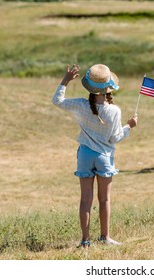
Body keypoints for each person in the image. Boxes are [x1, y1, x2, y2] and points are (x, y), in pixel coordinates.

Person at [52, 64, 137, 248]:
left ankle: (85, 240)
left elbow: (57, 101)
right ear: (109, 88)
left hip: (84, 155)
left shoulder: (81, 105)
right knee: (104, 199)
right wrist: (129, 126)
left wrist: (66, 80)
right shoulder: (114, 111)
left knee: (85, 200)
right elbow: (115, 138)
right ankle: (105, 237)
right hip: (104, 156)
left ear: (89, 87)